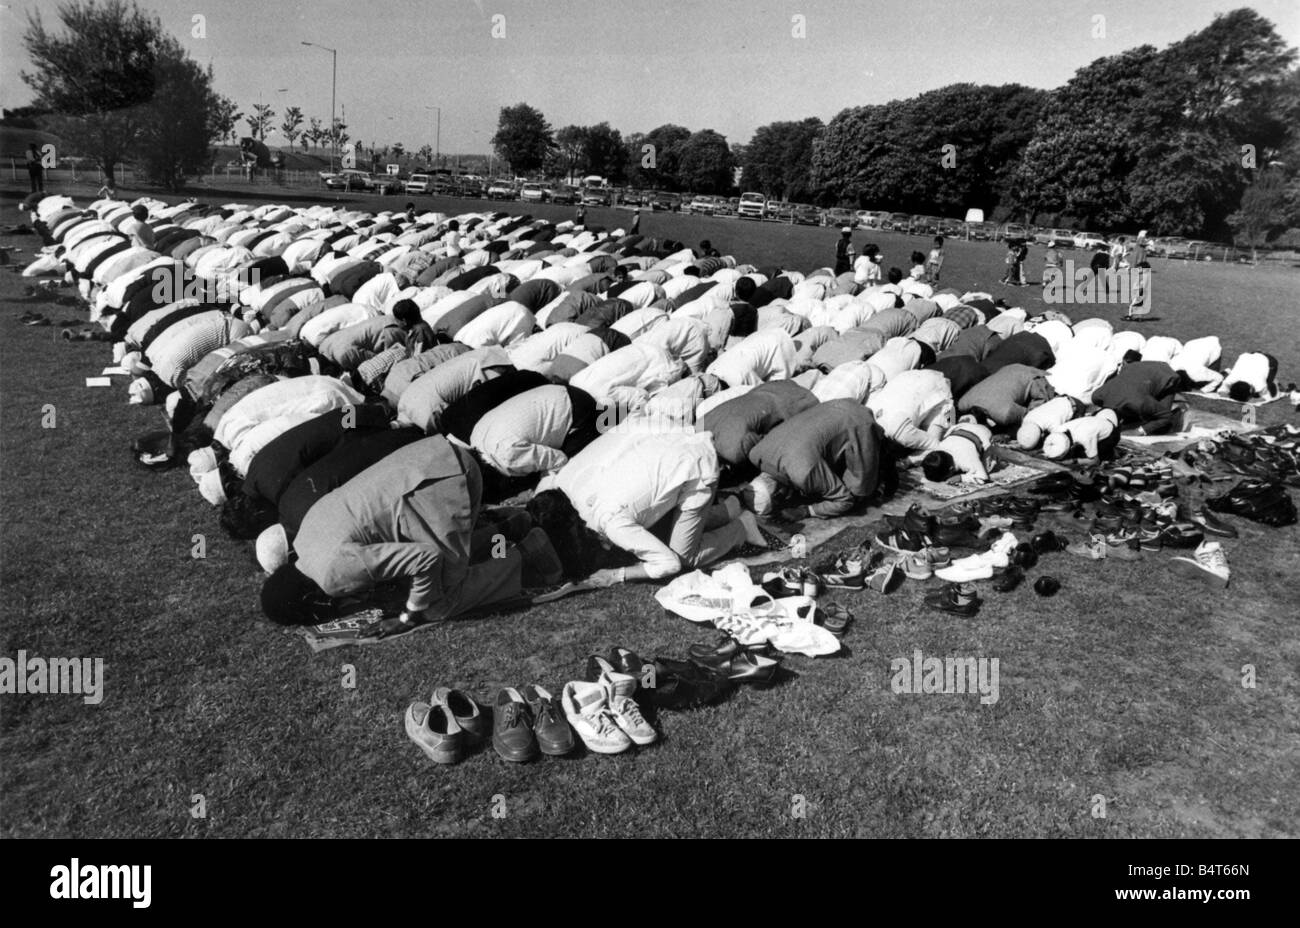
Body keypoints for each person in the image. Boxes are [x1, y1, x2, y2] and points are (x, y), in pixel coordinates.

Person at [259, 435, 551, 630]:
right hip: (431, 459)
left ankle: (531, 554)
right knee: (439, 576)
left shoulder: (333, 575)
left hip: (444, 480)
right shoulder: (304, 539)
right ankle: (509, 529)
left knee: (440, 604)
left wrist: (409, 615)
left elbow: (426, 559)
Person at [536, 430, 760, 586]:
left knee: (684, 556)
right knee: (663, 531)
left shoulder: (611, 523)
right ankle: (730, 509)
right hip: (669, 444)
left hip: (694, 466)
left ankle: (741, 528)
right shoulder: (570, 487)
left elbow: (668, 564)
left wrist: (616, 575)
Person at [747, 399, 884, 520]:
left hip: (858, 421)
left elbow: (844, 500)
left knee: (860, 491)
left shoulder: (803, 472)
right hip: (834, 405)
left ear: (777, 495)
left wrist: (806, 511)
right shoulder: (755, 453)